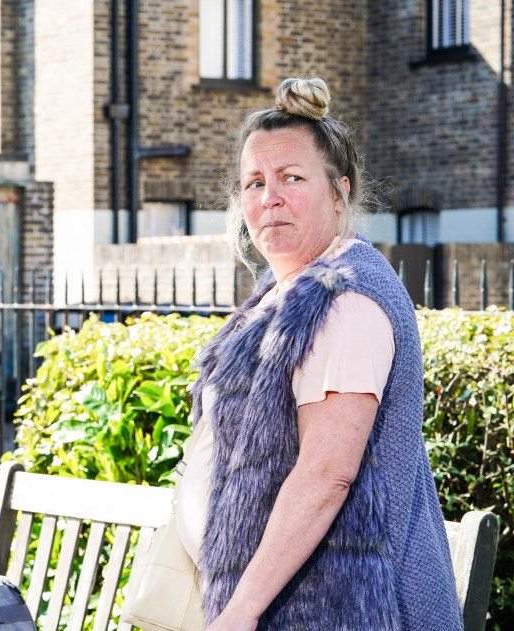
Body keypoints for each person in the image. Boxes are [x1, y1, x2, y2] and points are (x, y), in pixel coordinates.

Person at [174, 77, 462, 630]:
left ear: (340, 192)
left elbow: (327, 474)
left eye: (291, 178)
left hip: (340, 609)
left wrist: (241, 612)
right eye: (254, 182)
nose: (269, 197)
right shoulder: (282, 293)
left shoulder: (347, 299)